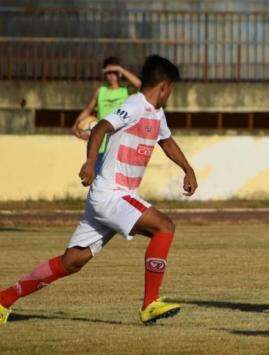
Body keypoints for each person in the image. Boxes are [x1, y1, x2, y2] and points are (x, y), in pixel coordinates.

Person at [0, 55, 198, 325]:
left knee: (72, 261)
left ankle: (3, 299)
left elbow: (167, 141)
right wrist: (91, 162)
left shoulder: (156, 112)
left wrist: (188, 168)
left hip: (109, 197)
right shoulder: (135, 105)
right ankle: (150, 304)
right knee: (165, 227)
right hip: (113, 194)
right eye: (171, 89)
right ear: (163, 86)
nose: (170, 95)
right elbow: (102, 128)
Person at [72, 56, 141, 156]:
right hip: (101, 144)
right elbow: (88, 109)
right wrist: (75, 126)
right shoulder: (100, 91)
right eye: (109, 73)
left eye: (115, 72)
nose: (112, 76)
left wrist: (120, 69)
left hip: (120, 144)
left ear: (119, 74)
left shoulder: (126, 90)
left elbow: (139, 85)